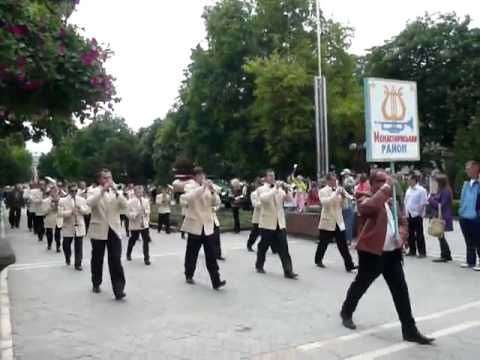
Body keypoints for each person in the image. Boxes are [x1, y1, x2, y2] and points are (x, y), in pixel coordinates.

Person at [340, 170, 434, 345]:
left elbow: (403, 222)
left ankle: (409, 329)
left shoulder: (391, 201)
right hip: (372, 253)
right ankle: (346, 312)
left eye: (387, 180)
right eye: (382, 181)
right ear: (373, 183)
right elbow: (368, 208)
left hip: (392, 253)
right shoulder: (364, 196)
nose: (387, 183)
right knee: (361, 284)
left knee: (401, 291)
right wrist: (385, 188)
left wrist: (403, 236)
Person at [181, 167, 226, 290]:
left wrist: (212, 191)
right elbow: (190, 197)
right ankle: (189, 274)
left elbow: (216, 203)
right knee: (192, 253)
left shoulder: (208, 188)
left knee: (211, 254)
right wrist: (203, 187)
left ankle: (216, 281)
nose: (202, 178)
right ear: (195, 177)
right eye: (200, 176)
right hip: (195, 224)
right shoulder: (190, 186)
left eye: (204, 176)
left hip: (208, 225)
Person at [87, 169, 128, 300]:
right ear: (100, 180)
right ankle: (96, 282)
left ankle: (119, 289)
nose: (108, 180)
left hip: (114, 229)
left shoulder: (117, 192)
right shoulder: (93, 191)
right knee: (97, 258)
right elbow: (90, 203)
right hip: (99, 228)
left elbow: (125, 206)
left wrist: (117, 192)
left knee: (115, 259)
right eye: (105, 178)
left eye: (109, 178)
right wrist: (102, 190)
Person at [255, 169, 298, 279]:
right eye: (270, 176)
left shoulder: (279, 190)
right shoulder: (261, 189)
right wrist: (276, 188)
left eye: (273, 176)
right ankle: (259, 265)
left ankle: (288, 271)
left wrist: (288, 190)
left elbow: (290, 201)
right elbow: (264, 199)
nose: (272, 178)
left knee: (284, 248)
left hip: (280, 223)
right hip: (267, 223)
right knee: (263, 247)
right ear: (265, 178)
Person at [315, 172, 357, 272]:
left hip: (339, 221)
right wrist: (336, 193)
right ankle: (318, 260)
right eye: (333, 180)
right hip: (327, 221)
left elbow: (343, 206)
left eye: (335, 180)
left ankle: (349, 265)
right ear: (328, 181)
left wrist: (343, 197)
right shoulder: (322, 191)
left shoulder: (338, 191)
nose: (335, 182)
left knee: (343, 245)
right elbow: (326, 204)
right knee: (323, 243)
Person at [59, 183, 90, 270]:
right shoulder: (62, 200)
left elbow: (87, 211)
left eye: (76, 191)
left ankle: (78, 264)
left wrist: (81, 209)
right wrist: (70, 212)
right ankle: (68, 257)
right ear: (68, 191)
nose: (74, 193)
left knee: (79, 246)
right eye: (72, 191)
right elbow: (60, 213)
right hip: (68, 226)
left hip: (79, 226)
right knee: (66, 245)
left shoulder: (81, 199)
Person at [458, 160, 480, 271]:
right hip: (464, 216)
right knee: (468, 240)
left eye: (468, 168)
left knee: (478, 240)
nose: (466, 171)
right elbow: (462, 200)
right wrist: (461, 211)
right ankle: (470, 261)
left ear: (475, 169)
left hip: (476, 217)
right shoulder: (466, 184)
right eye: (466, 168)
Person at [428, 174, 453, 263]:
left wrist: (431, 200)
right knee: (440, 236)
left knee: (440, 235)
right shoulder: (441, 190)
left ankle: (445, 255)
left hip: (443, 215)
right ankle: (446, 254)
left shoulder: (445, 191)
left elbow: (440, 205)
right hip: (441, 214)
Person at [126, 185, 152, 265]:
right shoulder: (130, 202)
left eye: (141, 192)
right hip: (135, 224)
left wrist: (146, 212)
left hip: (144, 223)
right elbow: (127, 213)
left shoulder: (146, 201)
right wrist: (135, 215)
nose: (140, 193)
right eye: (138, 192)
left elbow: (148, 210)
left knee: (145, 241)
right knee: (133, 239)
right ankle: (128, 253)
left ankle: (146, 258)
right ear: (135, 192)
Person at [404, 173, 428, 258]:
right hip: (409, 214)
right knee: (410, 233)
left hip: (417, 214)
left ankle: (422, 251)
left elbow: (423, 203)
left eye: (409, 180)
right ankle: (412, 250)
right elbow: (406, 201)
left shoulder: (421, 190)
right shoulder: (408, 190)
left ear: (414, 180)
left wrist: (419, 213)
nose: (408, 181)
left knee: (419, 234)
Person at [43, 187, 62, 252]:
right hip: (49, 219)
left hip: (57, 219)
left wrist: (57, 205)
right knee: (49, 233)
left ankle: (58, 246)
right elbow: (44, 212)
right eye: (53, 191)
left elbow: (62, 210)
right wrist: (50, 207)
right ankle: (49, 244)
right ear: (50, 192)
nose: (54, 193)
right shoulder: (45, 201)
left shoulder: (61, 200)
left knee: (57, 233)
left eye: (56, 191)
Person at [247, 178, 263, 252]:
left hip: (267, 216)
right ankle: (249, 244)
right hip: (257, 216)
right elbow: (255, 205)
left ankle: (274, 248)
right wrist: (263, 201)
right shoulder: (253, 194)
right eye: (258, 184)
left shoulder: (267, 192)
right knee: (255, 232)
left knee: (270, 232)